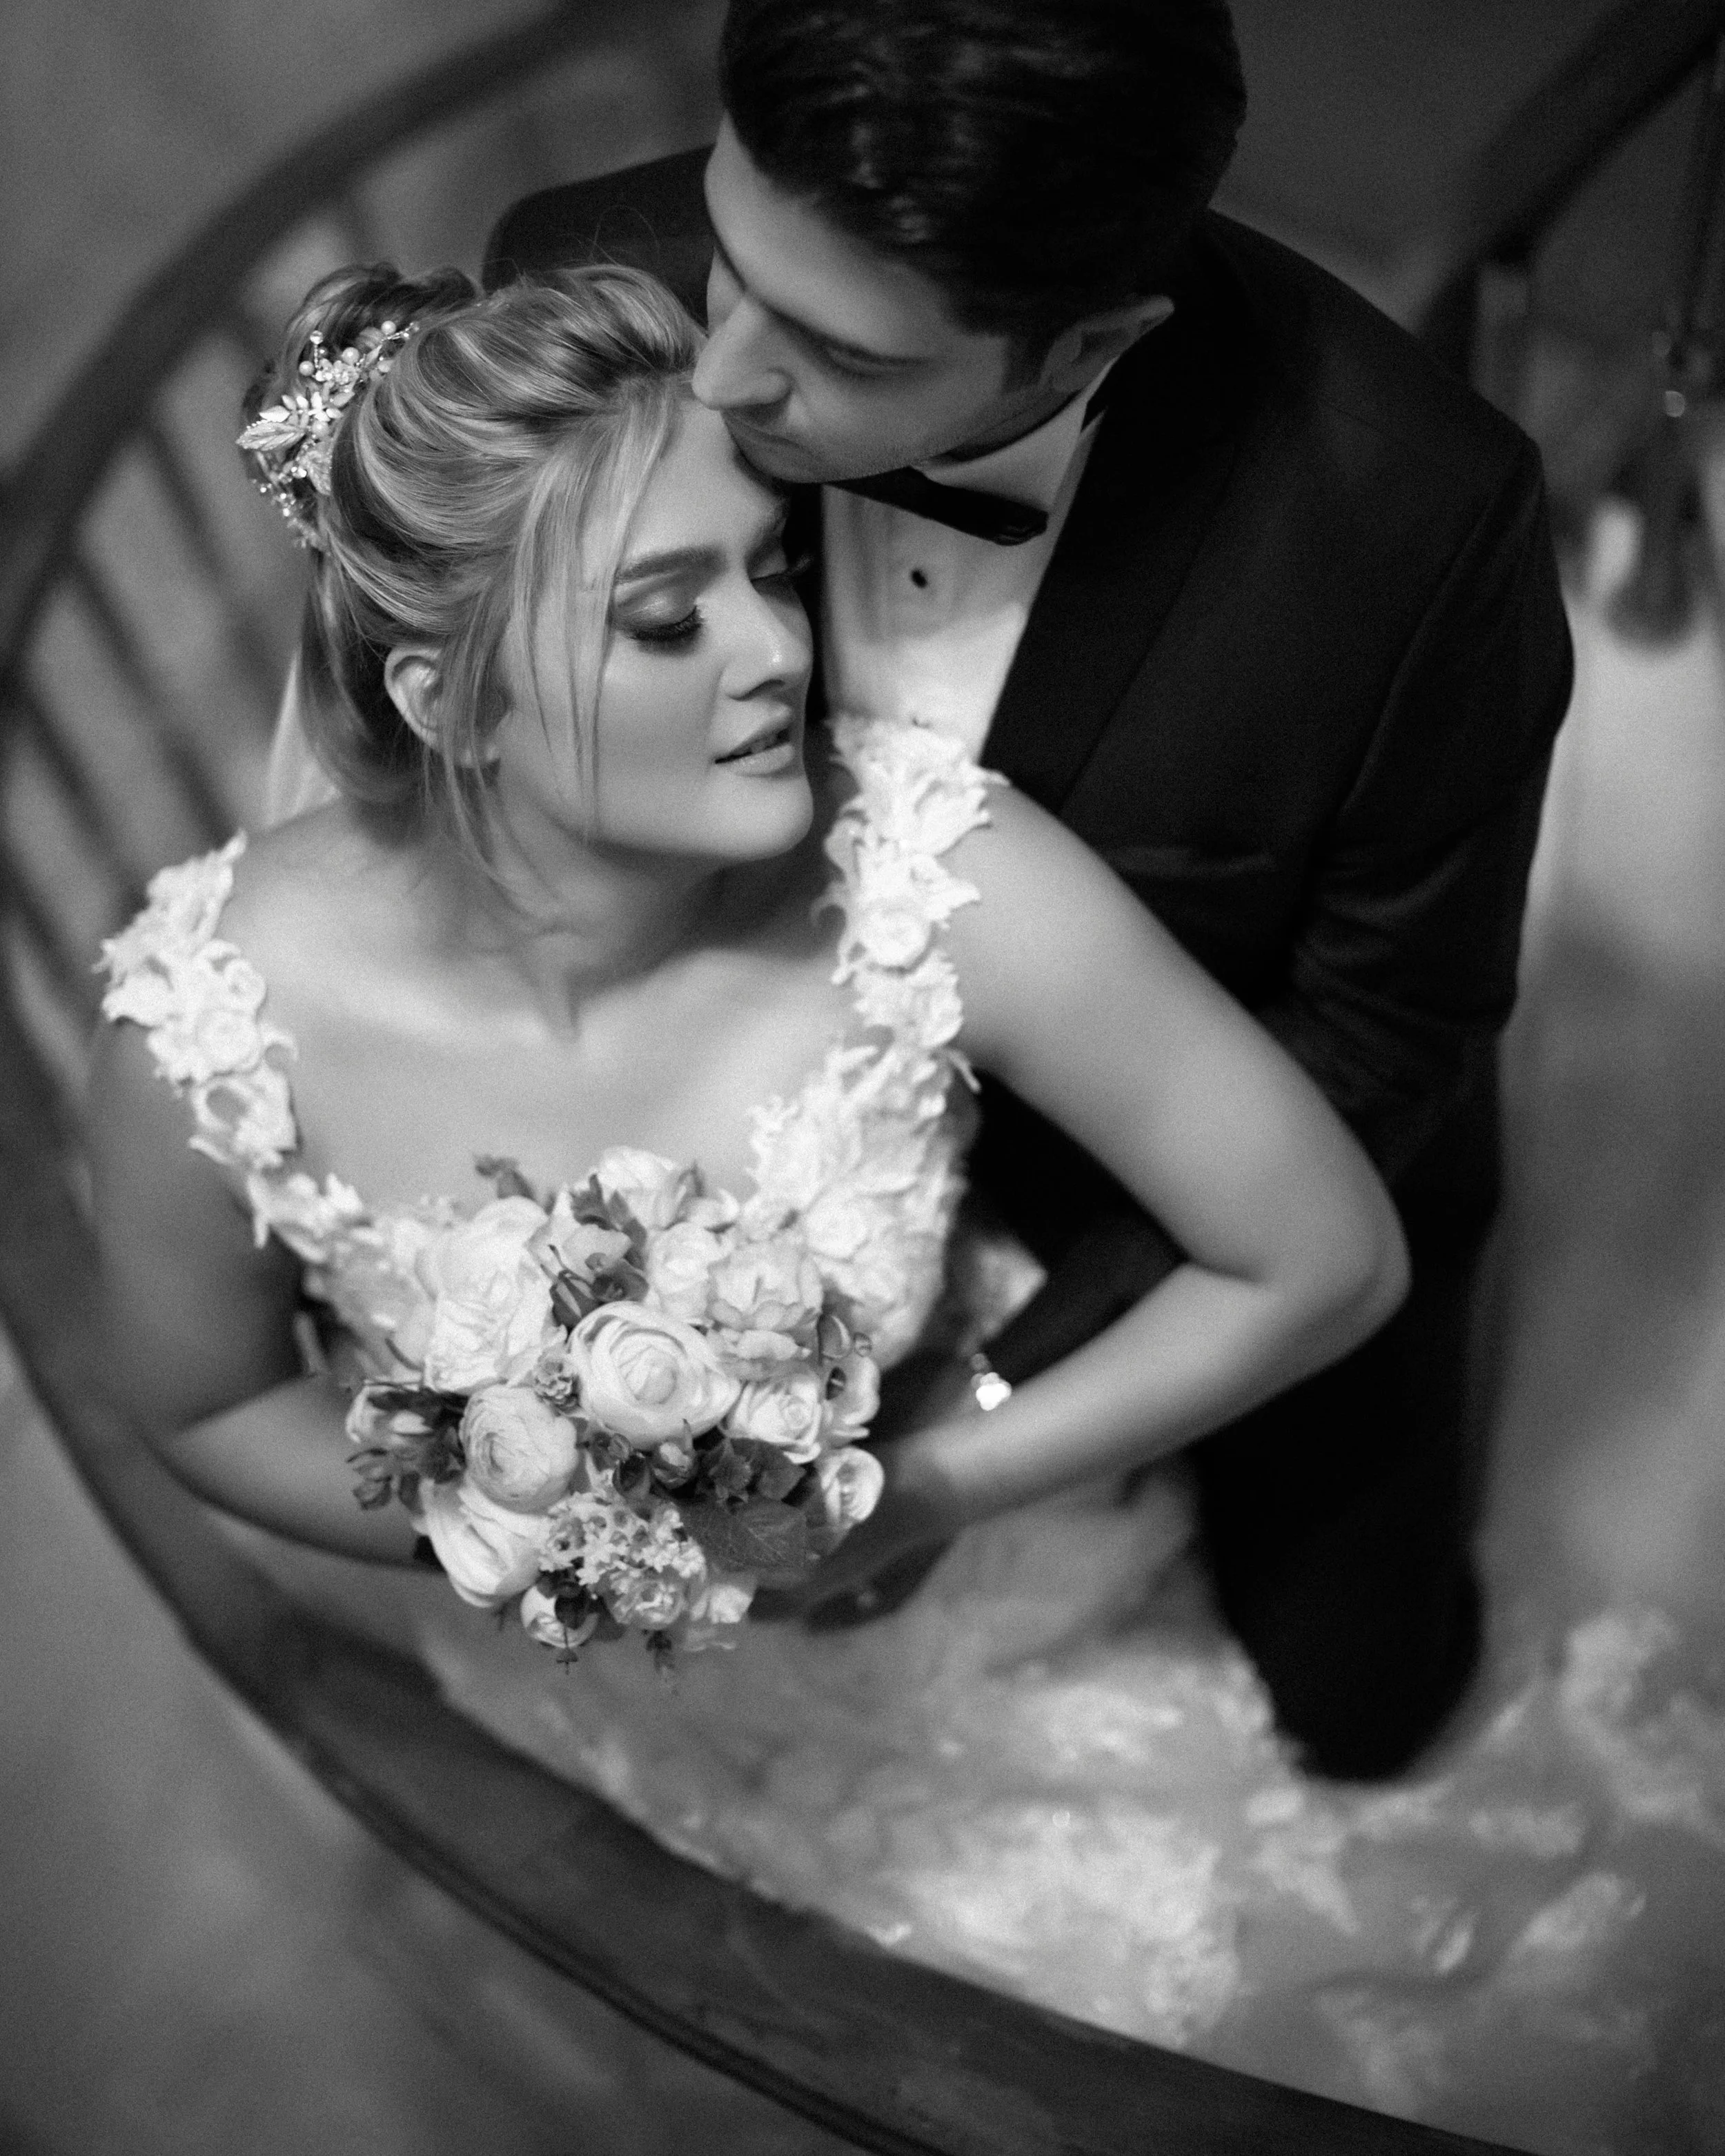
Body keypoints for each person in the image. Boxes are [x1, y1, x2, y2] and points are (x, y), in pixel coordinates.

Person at [462, 0, 1578, 1778]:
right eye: (731, 248)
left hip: (1198, 1166)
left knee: (1372, 1709)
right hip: (748, 1097)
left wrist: (986, 1398)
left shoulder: (1407, 526)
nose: (724, 374)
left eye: (834, 351)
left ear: (1091, 342)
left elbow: (1393, 1025)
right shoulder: (593, 280)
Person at [90, 264, 1404, 1641]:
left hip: (938, 1607)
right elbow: (210, 1404)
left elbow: (1323, 1257)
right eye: (666, 618)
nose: (778, 645)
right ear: (453, 700)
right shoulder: (214, 1032)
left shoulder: (932, 878)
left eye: (770, 566)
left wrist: (923, 1490)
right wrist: (534, 1541)